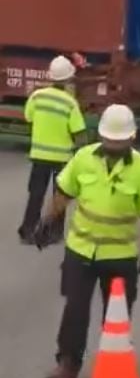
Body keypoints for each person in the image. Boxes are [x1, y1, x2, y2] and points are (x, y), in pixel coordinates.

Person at [34, 104, 140, 378]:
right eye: (109, 140)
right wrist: (48, 221)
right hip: (80, 249)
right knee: (75, 309)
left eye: (119, 142)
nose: (113, 146)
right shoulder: (84, 159)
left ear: (132, 138)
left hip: (119, 255)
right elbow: (64, 191)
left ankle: (115, 359)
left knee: (117, 313)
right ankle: (68, 364)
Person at [18, 55, 87, 245]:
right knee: (60, 196)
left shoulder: (37, 96)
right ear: (67, 80)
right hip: (62, 158)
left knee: (36, 194)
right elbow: (79, 133)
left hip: (39, 156)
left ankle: (27, 231)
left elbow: (28, 117)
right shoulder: (70, 103)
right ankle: (55, 232)